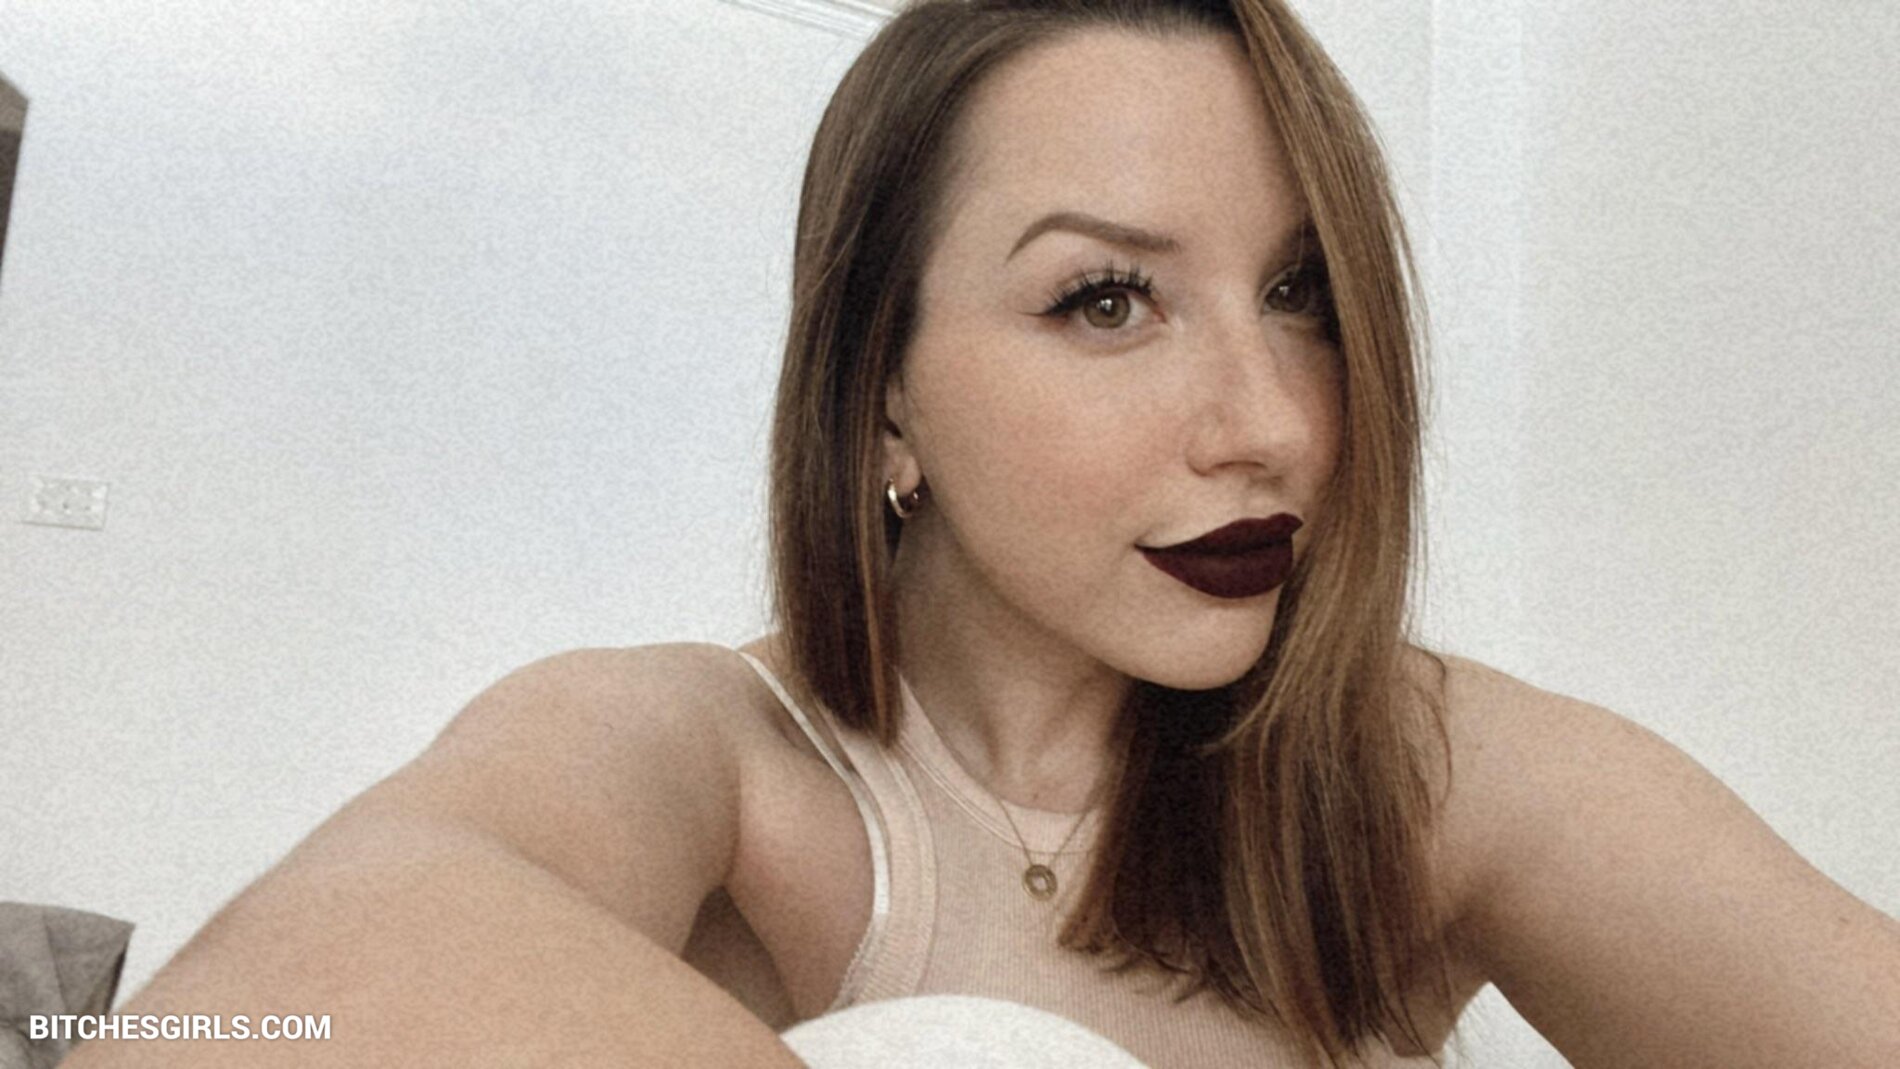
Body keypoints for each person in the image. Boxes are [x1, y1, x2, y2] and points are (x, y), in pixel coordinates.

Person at [64, 1, 1900, 1067]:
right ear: (884, 400)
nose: (1271, 421)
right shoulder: (705, 759)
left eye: (1302, 294)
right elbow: (221, 1027)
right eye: (1107, 300)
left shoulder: (1414, 771)